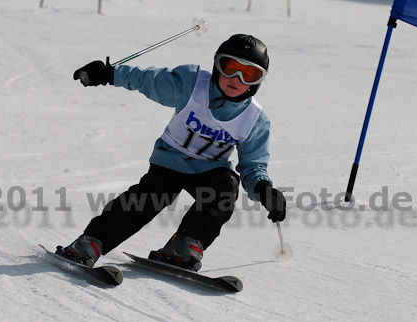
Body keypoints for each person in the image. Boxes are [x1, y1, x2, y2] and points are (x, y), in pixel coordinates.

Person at [58, 34, 286, 271]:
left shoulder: (254, 120)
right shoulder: (191, 84)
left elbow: (253, 165)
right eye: (229, 68)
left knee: (225, 191)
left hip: (210, 169)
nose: (236, 79)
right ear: (217, 65)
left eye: (248, 74)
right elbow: (148, 80)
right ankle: (92, 242)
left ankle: (185, 245)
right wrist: (110, 74)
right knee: (147, 199)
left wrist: (264, 189)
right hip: (170, 161)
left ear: (257, 81)